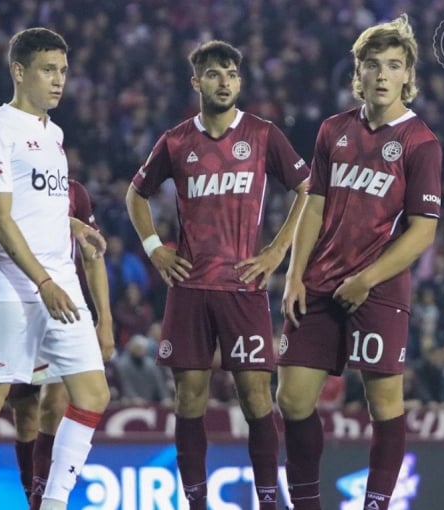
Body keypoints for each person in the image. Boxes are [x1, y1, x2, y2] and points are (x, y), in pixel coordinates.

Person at [126, 40, 309, 509]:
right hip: (189, 287)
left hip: (243, 287)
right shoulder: (175, 141)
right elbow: (135, 194)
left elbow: (308, 189)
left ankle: (268, 501)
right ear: (197, 82)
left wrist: (277, 250)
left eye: (231, 73)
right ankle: (196, 503)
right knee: (189, 400)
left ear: (239, 81)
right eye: (213, 74)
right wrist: (155, 249)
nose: (224, 81)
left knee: (256, 398)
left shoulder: (263, 134)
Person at [277, 14, 442, 510]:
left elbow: (423, 230)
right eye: (373, 64)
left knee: (384, 404)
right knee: (292, 400)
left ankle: (375, 505)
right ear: (359, 73)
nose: (383, 74)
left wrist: (367, 279)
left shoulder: (421, 142)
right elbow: (314, 205)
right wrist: (294, 275)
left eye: (393, 65)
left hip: (379, 288)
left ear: (408, 75)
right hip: (319, 283)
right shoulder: (334, 130)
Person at [0, 28, 110, 510]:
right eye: (48, 70)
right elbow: (0, 219)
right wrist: (41, 281)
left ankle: (54, 503)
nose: (59, 80)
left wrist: (72, 225)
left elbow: (34, 205)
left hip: (60, 280)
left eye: (63, 71)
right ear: (19, 71)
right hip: (9, 282)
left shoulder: (54, 134)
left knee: (94, 395)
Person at [0, 180, 114, 509]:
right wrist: (11, 222)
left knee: (57, 403)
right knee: (25, 412)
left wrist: (105, 319)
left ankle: (43, 502)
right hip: (12, 303)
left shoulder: (72, 192)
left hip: (59, 304)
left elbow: (92, 255)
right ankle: (19, 496)